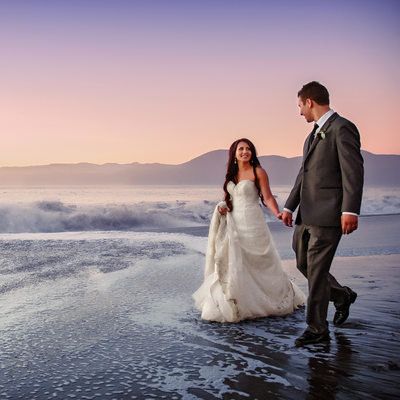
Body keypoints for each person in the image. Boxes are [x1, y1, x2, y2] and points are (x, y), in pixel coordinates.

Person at [282, 81, 364, 346]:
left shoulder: (342, 128)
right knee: (303, 264)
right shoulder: (312, 135)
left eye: (299, 106)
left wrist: (350, 209)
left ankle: (317, 329)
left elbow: (353, 171)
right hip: (306, 214)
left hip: (330, 214)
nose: (299, 113)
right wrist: (289, 206)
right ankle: (341, 296)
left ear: (309, 102)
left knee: (317, 271)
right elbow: (303, 175)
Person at [193, 138, 306, 322]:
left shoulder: (258, 172)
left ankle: (268, 300)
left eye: (248, 149)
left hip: (253, 223)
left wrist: (277, 212)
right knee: (236, 261)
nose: (245, 152)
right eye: (241, 149)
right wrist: (223, 207)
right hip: (234, 224)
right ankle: (239, 301)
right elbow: (229, 198)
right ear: (234, 154)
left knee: (260, 261)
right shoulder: (231, 175)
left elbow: (267, 197)